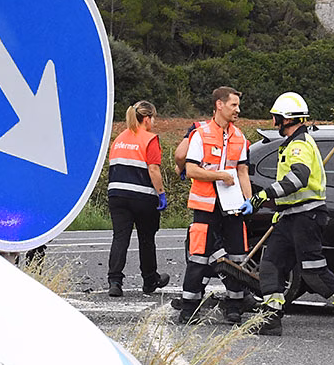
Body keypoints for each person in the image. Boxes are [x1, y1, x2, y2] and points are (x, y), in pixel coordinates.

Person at [249, 92, 334, 340]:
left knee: (313, 272)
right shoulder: (292, 143)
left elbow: (299, 178)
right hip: (290, 217)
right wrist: (280, 208)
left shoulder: (299, 145)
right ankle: (271, 318)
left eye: (276, 117)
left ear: (286, 119)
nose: (273, 121)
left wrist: (265, 194)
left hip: (306, 218)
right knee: (271, 265)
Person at [179, 86, 253, 324]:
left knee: (237, 257)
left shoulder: (239, 137)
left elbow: (243, 172)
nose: (238, 110)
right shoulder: (200, 134)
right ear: (219, 105)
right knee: (199, 258)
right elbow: (191, 170)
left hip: (233, 207)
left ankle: (234, 307)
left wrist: (249, 200)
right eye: (233, 105)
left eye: (238, 105)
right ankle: (189, 308)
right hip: (206, 207)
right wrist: (219, 176)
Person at [106, 100, 169, 297]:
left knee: (120, 237)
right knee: (146, 238)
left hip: (117, 194)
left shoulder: (119, 139)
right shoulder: (150, 139)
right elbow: (153, 169)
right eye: (153, 118)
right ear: (147, 119)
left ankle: (115, 281)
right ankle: (150, 280)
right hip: (142, 196)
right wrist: (161, 193)